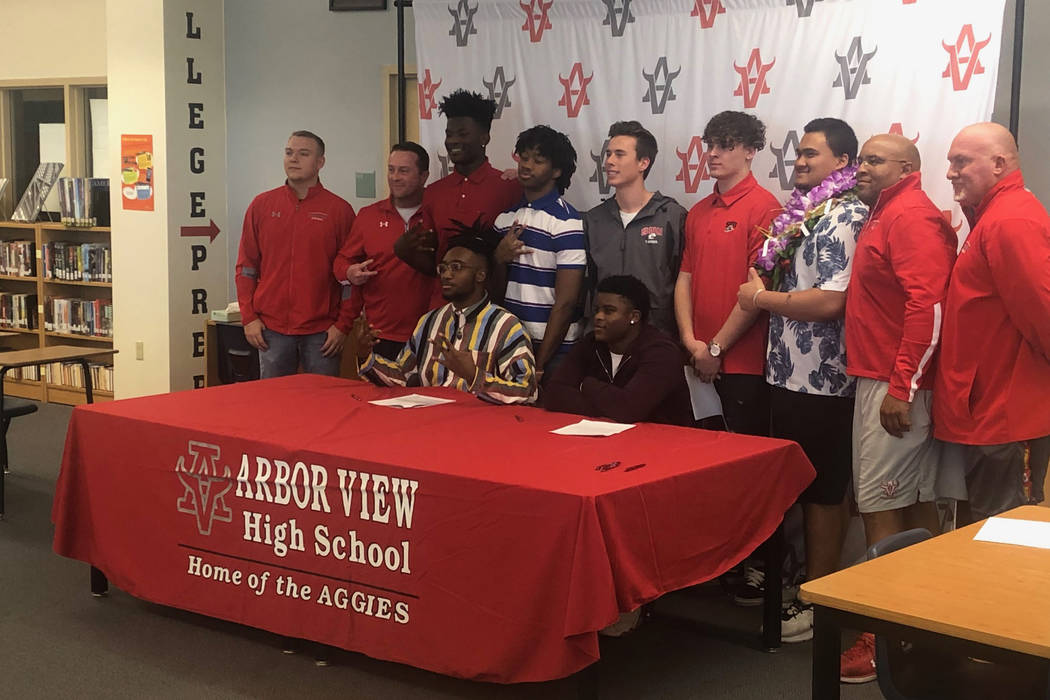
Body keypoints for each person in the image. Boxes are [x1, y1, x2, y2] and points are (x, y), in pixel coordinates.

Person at [738, 117, 868, 643]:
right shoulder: (804, 214)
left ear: (843, 163)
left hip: (824, 382)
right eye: (797, 156)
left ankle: (819, 598)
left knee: (822, 493)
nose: (801, 163)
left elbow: (833, 301)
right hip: (786, 375)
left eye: (812, 155)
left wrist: (759, 299)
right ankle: (792, 585)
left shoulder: (846, 215)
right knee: (793, 487)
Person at [838, 134, 957, 684]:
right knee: (911, 506)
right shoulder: (885, 212)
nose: (862, 167)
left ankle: (882, 635)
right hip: (883, 378)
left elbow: (928, 306)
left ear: (907, 168)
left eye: (874, 160)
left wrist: (902, 385)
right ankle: (919, 624)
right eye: (861, 158)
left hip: (894, 383)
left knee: (880, 508)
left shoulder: (909, 215)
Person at [934, 122, 1050, 521]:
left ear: (999, 163)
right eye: (951, 162)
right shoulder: (992, 216)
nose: (950, 172)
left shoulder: (1009, 221)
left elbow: (1042, 312)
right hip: (987, 410)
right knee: (981, 533)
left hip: (1006, 414)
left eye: (961, 161)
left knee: (1003, 536)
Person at [674, 111, 779, 434]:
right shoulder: (698, 211)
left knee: (744, 460)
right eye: (710, 145)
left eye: (725, 145)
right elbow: (685, 279)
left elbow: (758, 292)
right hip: (697, 357)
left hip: (743, 363)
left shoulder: (766, 207)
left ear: (750, 150)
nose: (713, 153)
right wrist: (692, 342)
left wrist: (715, 349)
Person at [353, 233, 537, 404]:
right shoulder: (429, 322)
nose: (447, 275)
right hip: (429, 424)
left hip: (480, 428)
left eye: (457, 267)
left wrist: (475, 376)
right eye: (443, 268)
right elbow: (403, 376)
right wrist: (365, 356)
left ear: (481, 275)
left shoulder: (506, 326)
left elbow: (527, 391)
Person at [235, 130, 356, 378]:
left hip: (322, 333)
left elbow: (350, 278)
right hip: (271, 330)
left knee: (324, 407)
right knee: (275, 407)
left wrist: (343, 326)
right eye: (289, 152)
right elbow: (246, 268)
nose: (293, 159)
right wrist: (248, 317)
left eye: (303, 154)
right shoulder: (262, 206)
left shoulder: (339, 211)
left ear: (320, 162)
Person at [395, 89, 521, 285]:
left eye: (462, 134)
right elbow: (434, 264)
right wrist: (404, 252)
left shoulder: (509, 187)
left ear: (484, 138)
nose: (453, 140)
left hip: (491, 308)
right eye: (449, 134)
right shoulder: (434, 192)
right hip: (443, 307)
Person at [493, 125, 585, 381]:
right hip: (510, 344)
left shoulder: (567, 221)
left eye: (538, 160)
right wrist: (499, 259)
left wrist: (541, 362)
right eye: (523, 157)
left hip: (555, 351)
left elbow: (566, 302)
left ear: (557, 171)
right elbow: (494, 293)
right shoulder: (504, 219)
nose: (527, 165)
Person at [544, 275, 692, 426]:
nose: (598, 317)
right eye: (597, 310)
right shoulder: (590, 343)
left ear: (634, 317)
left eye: (609, 311)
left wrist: (586, 385)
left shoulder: (661, 352)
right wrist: (611, 407)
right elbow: (554, 394)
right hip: (604, 437)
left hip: (662, 441)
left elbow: (629, 410)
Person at [583, 121, 686, 336]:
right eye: (608, 154)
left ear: (643, 163)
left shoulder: (671, 216)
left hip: (655, 338)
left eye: (619, 155)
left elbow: (683, 283)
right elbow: (590, 283)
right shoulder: (594, 219)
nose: (609, 161)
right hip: (603, 339)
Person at [333, 143, 435, 361]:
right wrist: (349, 271)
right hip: (380, 335)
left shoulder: (438, 213)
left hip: (431, 335)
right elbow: (342, 262)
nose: (395, 177)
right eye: (391, 169)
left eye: (403, 170)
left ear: (424, 176)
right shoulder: (368, 215)